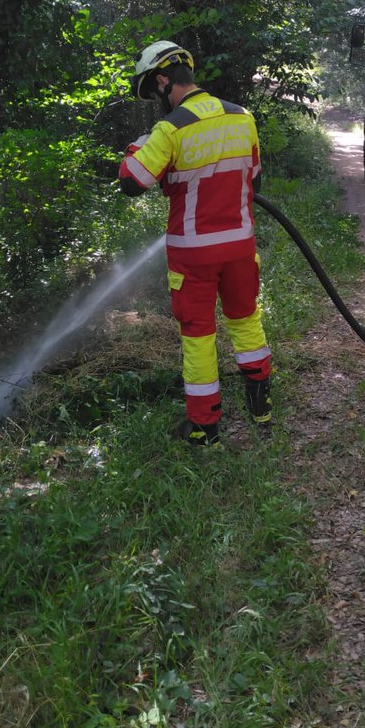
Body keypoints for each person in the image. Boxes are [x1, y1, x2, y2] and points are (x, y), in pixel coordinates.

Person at [118, 40, 272, 445]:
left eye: (154, 91)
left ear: (163, 80)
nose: (157, 100)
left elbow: (131, 181)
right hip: (240, 247)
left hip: (194, 255)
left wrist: (138, 146)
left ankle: (204, 426)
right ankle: (261, 409)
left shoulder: (170, 129)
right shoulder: (242, 117)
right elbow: (254, 181)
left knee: (199, 334)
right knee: (246, 320)